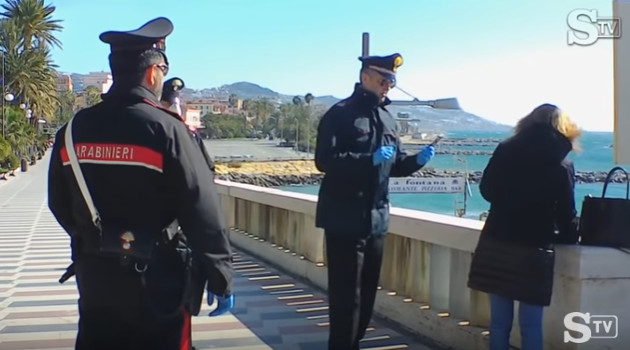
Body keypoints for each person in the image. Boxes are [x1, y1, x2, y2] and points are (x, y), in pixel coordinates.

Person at [47, 17, 234, 350]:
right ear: (153, 72)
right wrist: (220, 275)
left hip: (95, 275)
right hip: (158, 277)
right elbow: (201, 208)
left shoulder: (73, 130)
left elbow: (58, 202)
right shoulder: (167, 130)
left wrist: (94, 238)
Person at [314, 53, 436, 350]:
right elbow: (324, 161)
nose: (388, 88)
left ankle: (354, 342)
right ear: (365, 76)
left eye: (392, 83)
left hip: (376, 219)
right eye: (384, 80)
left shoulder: (387, 118)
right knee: (345, 295)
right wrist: (367, 160)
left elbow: (393, 165)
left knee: (367, 293)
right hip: (344, 218)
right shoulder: (340, 113)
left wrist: (416, 161)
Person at [467, 103, 581, 350]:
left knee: (499, 323)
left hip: (497, 240)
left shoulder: (506, 149)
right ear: (561, 127)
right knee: (530, 324)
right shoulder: (561, 162)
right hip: (534, 247)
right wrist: (570, 236)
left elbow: (487, 190)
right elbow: (566, 211)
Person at [160, 77, 216, 174]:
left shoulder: (191, 133)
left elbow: (208, 166)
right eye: (169, 104)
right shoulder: (155, 129)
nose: (174, 108)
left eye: (176, 104)